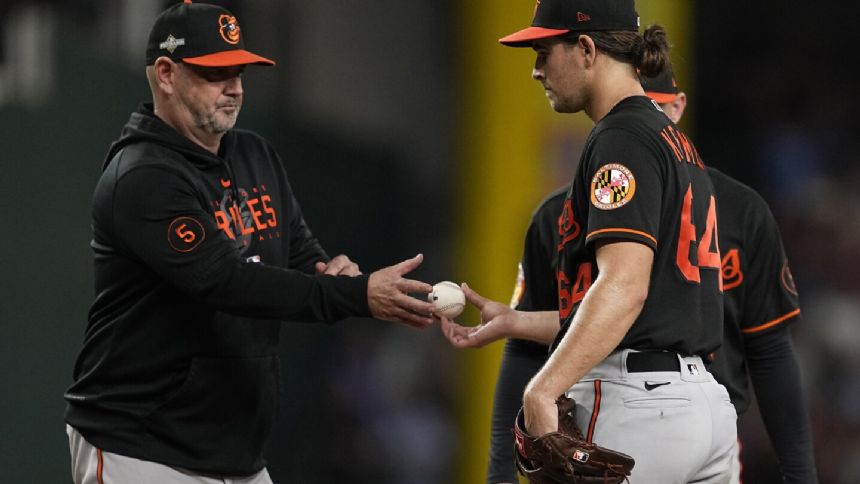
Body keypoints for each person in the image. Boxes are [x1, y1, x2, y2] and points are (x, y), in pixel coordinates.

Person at [63, 2, 436, 483]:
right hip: (140, 445)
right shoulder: (143, 176)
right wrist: (356, 295)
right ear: (166, 74)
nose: (235, 87)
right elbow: (226, 282)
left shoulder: (254, 153)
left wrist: (333, 272)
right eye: (216, 73)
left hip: (234, 449)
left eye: (239, 70)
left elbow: (298, 254)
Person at [440, 1, 736, 482]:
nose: (536, 71)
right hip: (701, 407)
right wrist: (515, 320)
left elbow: (624, 288)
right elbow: (650, 307)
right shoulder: (672, 140)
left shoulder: (620, 138)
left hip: (637, 405)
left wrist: (542, 388)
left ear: (585, 48)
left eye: (543, 51)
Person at [486, 66, 819, 483]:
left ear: (676, 111)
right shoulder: (561, 212)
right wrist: (518, 322)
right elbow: (575, 328)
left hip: (647, 408)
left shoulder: (739, 209)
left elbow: (768, 347)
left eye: (654, 109)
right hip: (692, 415)